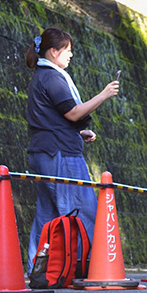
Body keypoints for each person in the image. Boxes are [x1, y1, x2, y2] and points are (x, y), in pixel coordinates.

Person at [25, 27, 120, 273]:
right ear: (54, 52)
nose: (71, 55)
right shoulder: (52, 77)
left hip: (44, 151)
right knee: (82, 210)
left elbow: (52, 118)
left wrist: (78, 132)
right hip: (60, 154)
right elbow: (73, 112)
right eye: (67, 50)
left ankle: (38, 268)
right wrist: (104, 94)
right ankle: (87, 266)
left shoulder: (42, 76)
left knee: (46, 214)